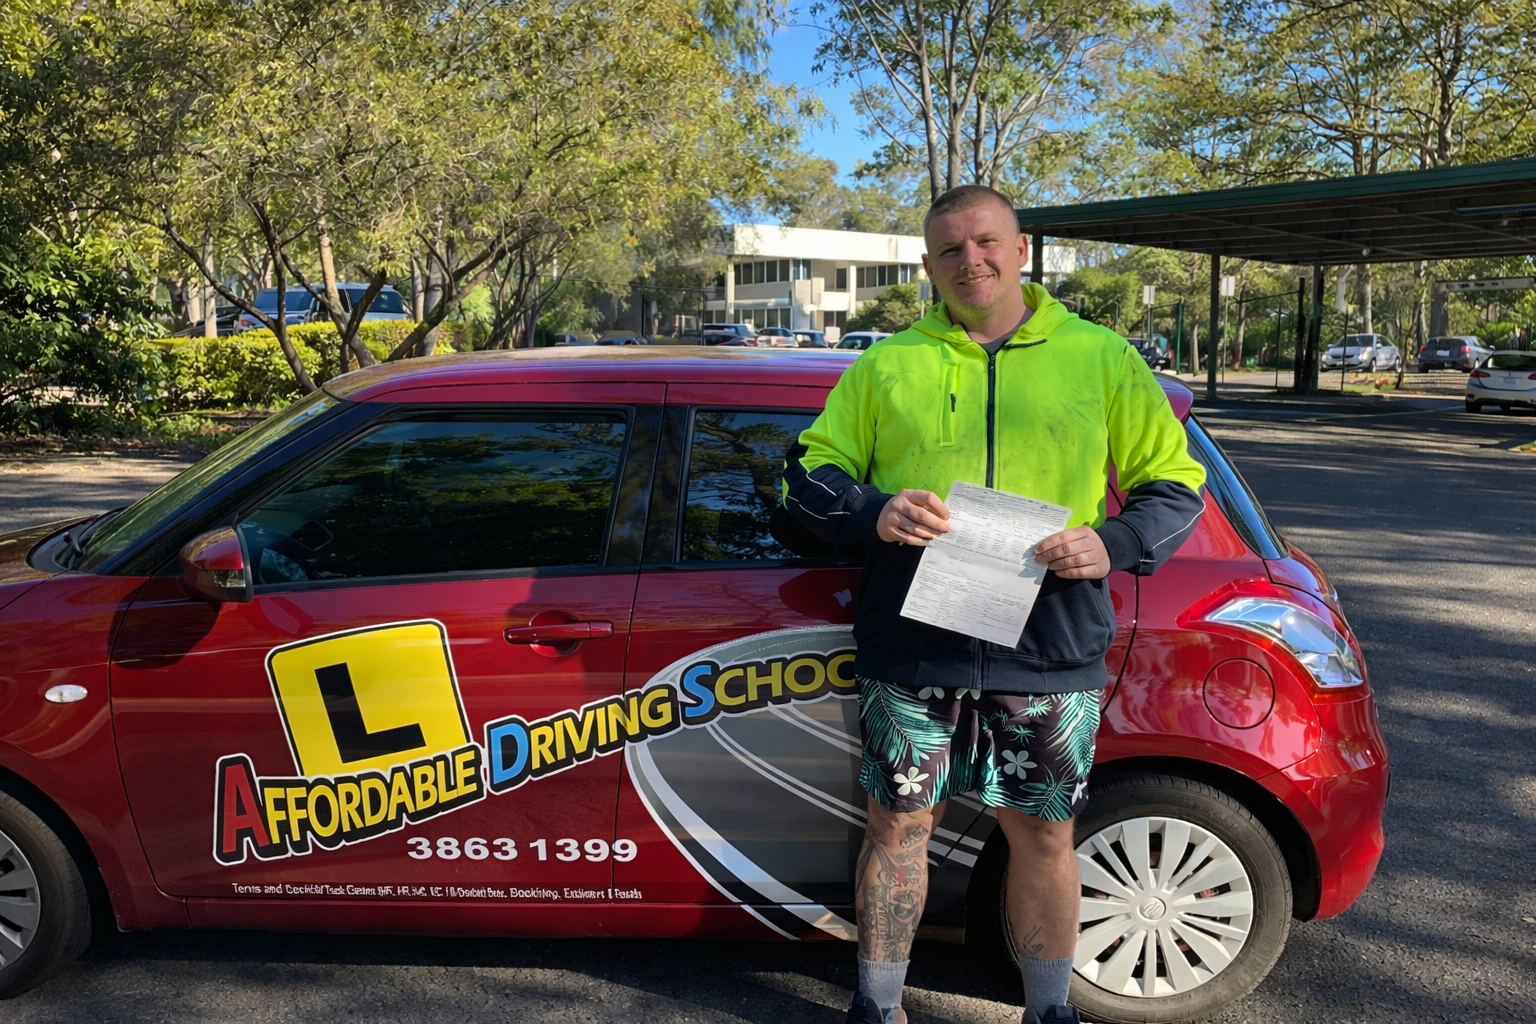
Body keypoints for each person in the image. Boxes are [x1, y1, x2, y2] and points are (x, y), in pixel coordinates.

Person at [783, 185, 1207, 1024]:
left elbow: (1175, 485)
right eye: (948, 249)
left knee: (1044, 837)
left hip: (1047, 645)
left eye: (985, 243)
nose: (968, 261)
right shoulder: (887, 363)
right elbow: (806, 473)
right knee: (898, 828)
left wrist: (1112, 543)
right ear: (930, 265)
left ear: (1021, 251)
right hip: (914, 643)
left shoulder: (1103, 358)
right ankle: (877, 1007)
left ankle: (1051, 1013)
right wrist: (876, 512)